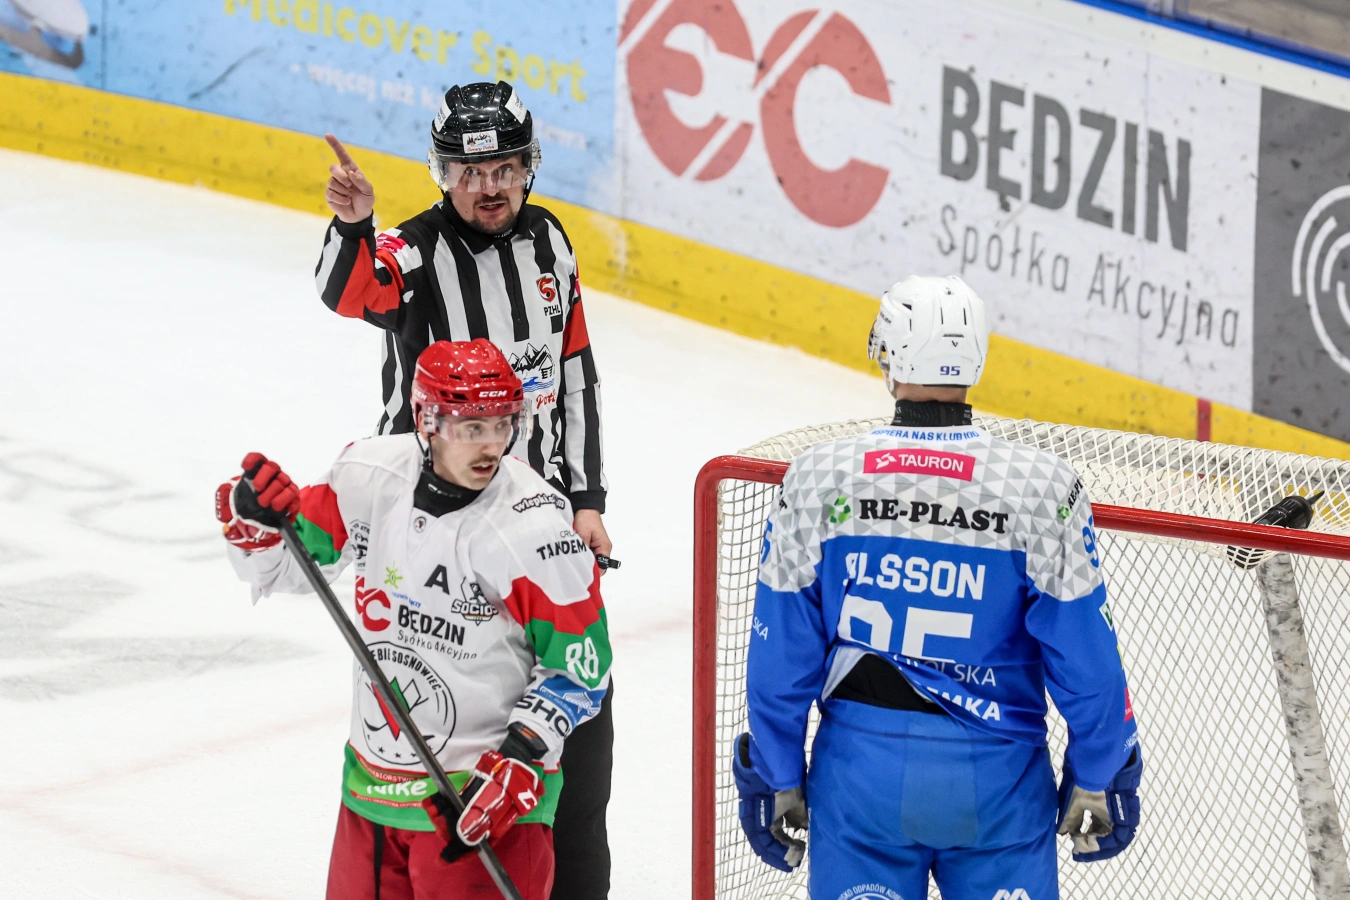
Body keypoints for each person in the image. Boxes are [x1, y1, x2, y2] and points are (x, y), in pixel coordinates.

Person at [733, 276, 1143, 900]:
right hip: (999, 783)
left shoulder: (819, 475)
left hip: (860, 778)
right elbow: (1087, 658)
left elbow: (781, 652)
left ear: (891, 354)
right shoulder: (1040, 485)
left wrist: (777, 770)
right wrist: (1100, 769)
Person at [317, 81, 615, 899]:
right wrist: (355, 225)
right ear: (443, 175)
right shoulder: (415, 251)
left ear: (528, 168)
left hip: (539, 530)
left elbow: (575, 372)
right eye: (470, 172)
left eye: (506, 169)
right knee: (448, 744)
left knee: (579, 769)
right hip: (433, 526)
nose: (490, 186)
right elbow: (351, 292)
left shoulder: (550, 241)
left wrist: (586, 500)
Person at [214, 339, 612, 900]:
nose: (492, 445)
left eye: (503, 424)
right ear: (427, 420)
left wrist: (520, 757)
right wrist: (254, 524)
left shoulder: (536, 527)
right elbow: (284, 569)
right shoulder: (368, 476)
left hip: (480, 806)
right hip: (372, 791)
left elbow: (582, 667)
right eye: (473, 427)